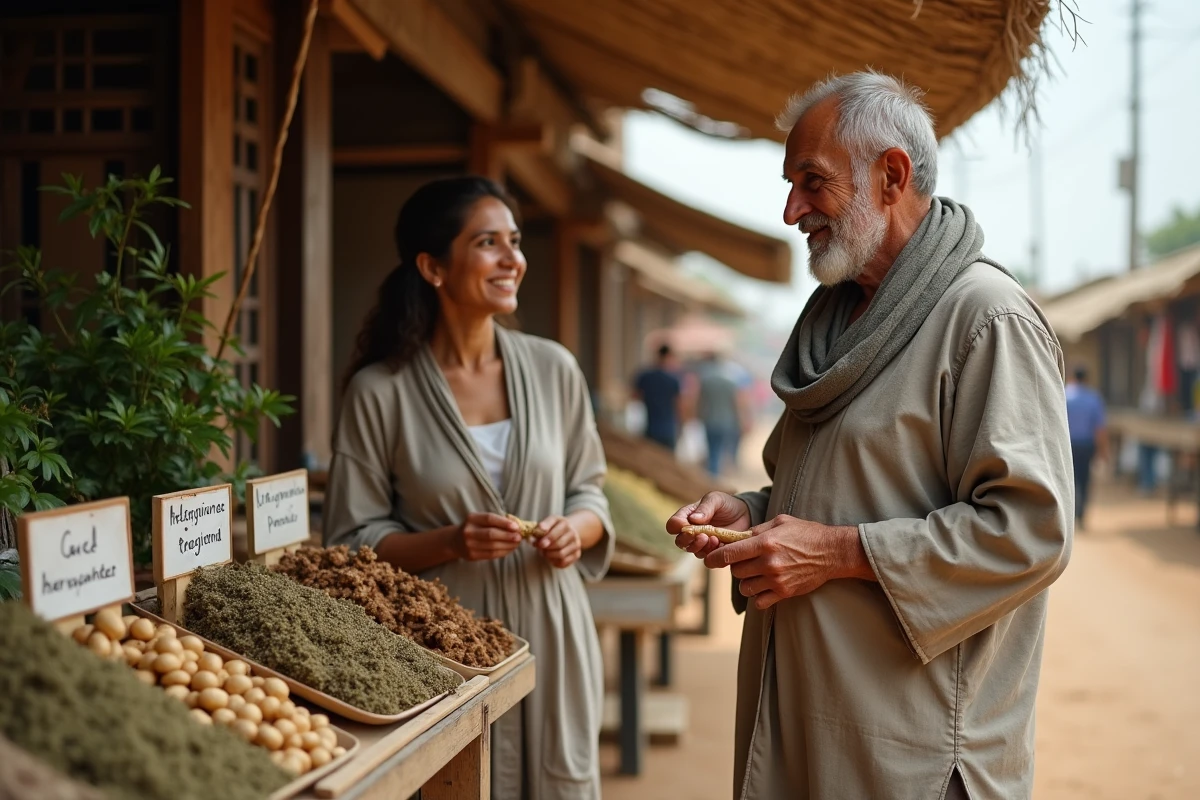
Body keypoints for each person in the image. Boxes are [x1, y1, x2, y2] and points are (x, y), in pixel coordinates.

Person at [668, 71, 1072, 800]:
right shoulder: (836, 319)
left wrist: (838, 554)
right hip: (804, 721)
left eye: (812, 182)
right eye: (789, 185)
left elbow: (1029, 531)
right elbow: (835, 487)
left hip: (907, 750)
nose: (792, 211)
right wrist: (751, 516)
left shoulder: (985, 317)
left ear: (891, 174)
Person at [324, 176, 614, 800]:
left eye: (514, 241)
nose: (514, 259)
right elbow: (350, 541)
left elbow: (589, 493)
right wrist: (451, 541)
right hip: (439, 645)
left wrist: (575, 529)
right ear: (432, 266)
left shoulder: (554, 368)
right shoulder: (381, 391)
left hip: (554, 632)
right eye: (488, 243)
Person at [1065, 365, 1108, 528]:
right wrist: (1103, 451)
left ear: (1072, 376)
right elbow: (1100, 428)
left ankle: (1070, 514)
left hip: (1068, 446)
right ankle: (1081, 515)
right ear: (1086, 379)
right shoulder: (1093, 398)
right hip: (1086, 445)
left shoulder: (1064, 394)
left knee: (1069, 481)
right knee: (1084, 480)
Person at [694, 352, 744, 477]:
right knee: (721, 449)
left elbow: (700, 401)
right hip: (726, 422)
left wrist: (697, 416)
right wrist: (740, 420)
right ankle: (715, 474)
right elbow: (736, 404)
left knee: (712, 449)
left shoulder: (706, 381)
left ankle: (712, 474)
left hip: (709, 420)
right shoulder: (730, 382)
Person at [633, 343, 683, 450]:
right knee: (667, 463)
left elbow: (635, 397)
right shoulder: (673, 380)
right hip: (668, 428)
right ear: (669, 357)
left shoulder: (645, 377)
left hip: (650, 427)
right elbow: (679, 405)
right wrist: (681, 426)